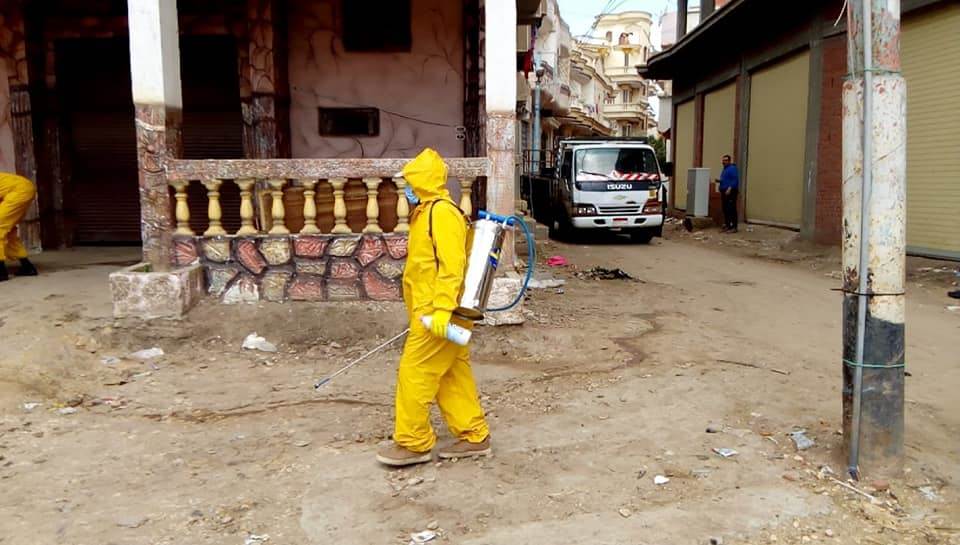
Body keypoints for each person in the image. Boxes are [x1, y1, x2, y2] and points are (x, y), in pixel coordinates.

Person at [376, 148, 491, 467]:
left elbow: (452, 266)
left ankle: (413, 443)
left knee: (415, 373)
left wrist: (440, 310)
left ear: (423, 181)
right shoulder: (427, 211)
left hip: (439, 315)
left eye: (410, 182)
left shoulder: (442, 213)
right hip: (434, 314)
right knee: (451, 373)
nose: (407, 189)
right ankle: (474, 436)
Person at [0, 172, 39, 282]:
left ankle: (1, 273)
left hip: (18, 192)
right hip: (24, 188)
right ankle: (27, 267)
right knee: (9, 232)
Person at [717, 155, 740, 233]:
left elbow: (735, 180)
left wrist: (729, 188)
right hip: (724, 191)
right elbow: (726, 180)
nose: (724, 162)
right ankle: (727, 225)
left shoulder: (732, 168)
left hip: (731, 192)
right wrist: (720, 181)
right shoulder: (725, 169)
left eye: (726, 160)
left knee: (731, 208)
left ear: (729, 161)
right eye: (723, 160)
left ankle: (734, 227)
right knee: (725, 208)